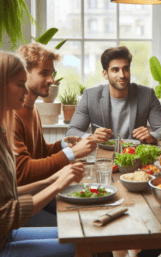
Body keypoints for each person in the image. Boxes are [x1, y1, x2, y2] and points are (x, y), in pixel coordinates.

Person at [0, 50, 89, 257]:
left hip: (6, 235)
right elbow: (6, 214)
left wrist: (53, 177)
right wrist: (55, 183)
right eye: (20, 84)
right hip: (5, 239)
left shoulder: (5, 129)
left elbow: (11, 192)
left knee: (85, 237)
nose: (25, 92)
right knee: (85, 247)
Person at [15, 42, 99, 187]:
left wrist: (63, 144)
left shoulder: (32, 108)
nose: (52, 80)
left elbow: (41, 153)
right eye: (44, 73)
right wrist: (71, 153)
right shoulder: (9, 114)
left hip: (38, 191)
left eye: (52, 73)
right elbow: (22, 172)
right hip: (22, 203)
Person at [65, 46, 161, 144]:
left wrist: (151, 136)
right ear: (105, 74)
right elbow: (71, 132)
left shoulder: (147, 95)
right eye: (115, 70)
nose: (122, 75)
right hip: (102, 155)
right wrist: (91, 137)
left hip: (135, 155)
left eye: (125, 69)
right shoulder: (90, 96)